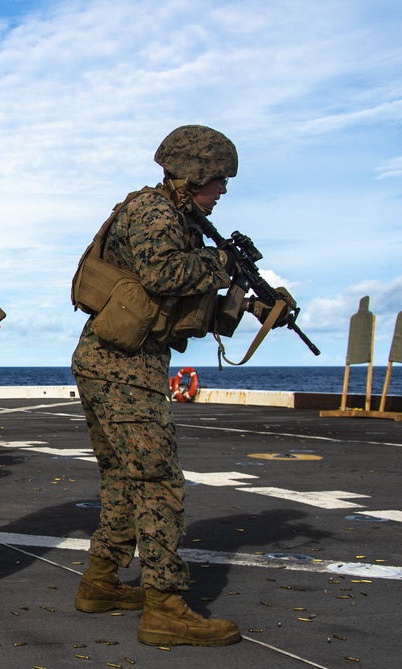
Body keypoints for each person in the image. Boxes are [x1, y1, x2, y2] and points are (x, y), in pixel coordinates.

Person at [70, 125, 291, 647]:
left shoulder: (178, 220)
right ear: (193, 174)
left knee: (128, 481)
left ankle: (101, 582)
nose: (221, 193)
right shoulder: (154, 212)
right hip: (120, 367)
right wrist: (224, 263)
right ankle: (166, 607)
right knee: (159, 482)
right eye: (217, 181)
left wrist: (256, 307)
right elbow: (164, 274)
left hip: (120, 363)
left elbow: (184, 307)